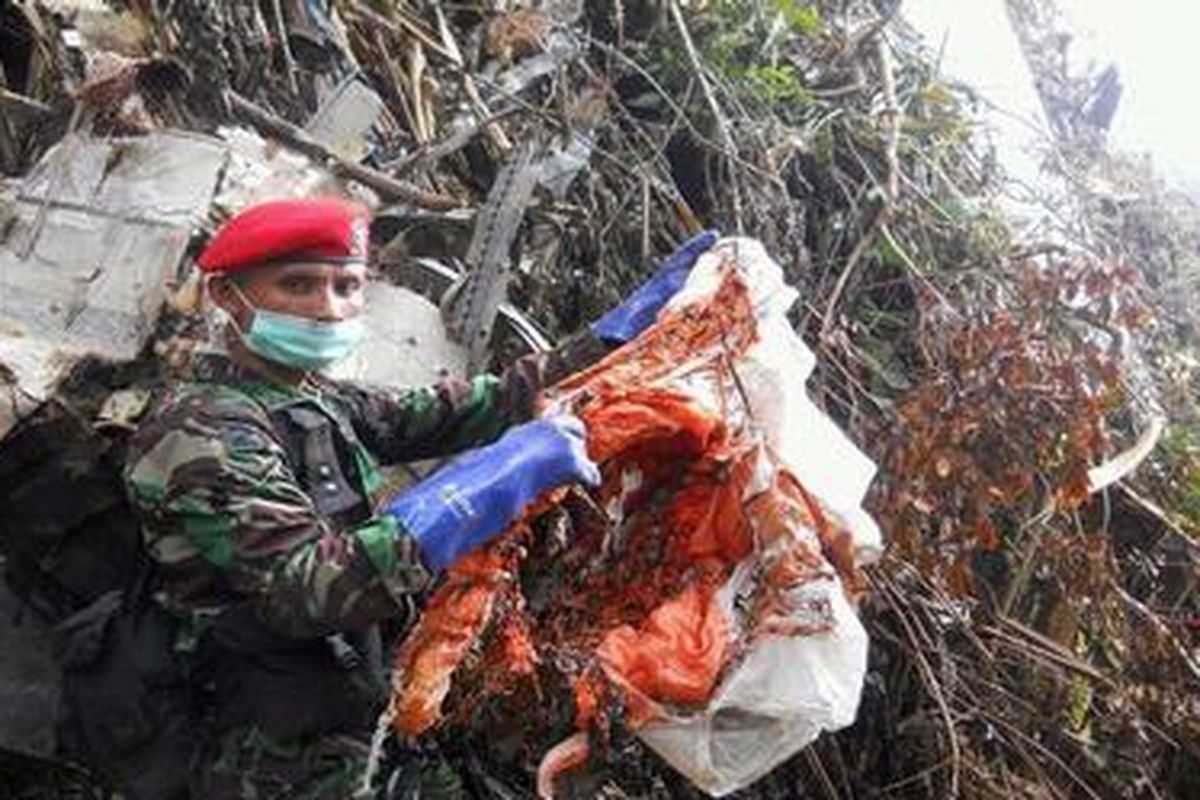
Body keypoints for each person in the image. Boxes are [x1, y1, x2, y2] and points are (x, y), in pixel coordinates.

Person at [122, 196, 717, 799]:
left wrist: (610, 339)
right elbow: (308, 590)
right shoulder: (203, 431)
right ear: (227, 296)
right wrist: (475, 492)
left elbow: (458, 410)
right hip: (268, 754)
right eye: (297, 285)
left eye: (346, 286)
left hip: (355, 712)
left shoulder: (311, 396)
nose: (327, 309)